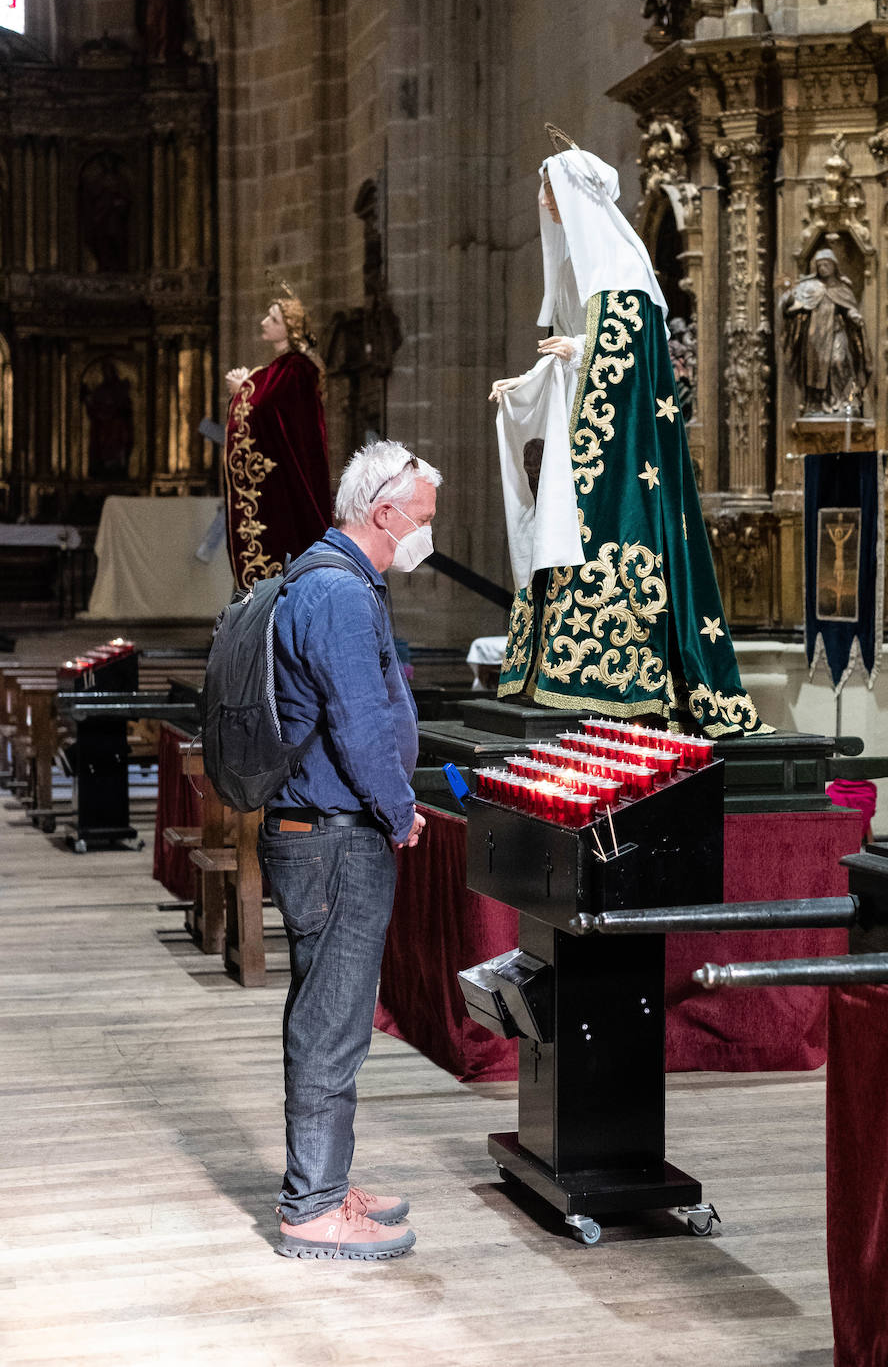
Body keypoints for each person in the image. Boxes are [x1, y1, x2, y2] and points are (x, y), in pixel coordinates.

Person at [489, 126, 769, 736]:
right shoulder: (587, 270)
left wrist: (576, 352)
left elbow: (627, 361)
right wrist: (527, 383)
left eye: (549, 190)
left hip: (622, 457)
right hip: (589, 446)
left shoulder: (621, 266)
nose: (542, 201)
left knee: (601, 539)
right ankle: (556, 669)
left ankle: (616, 677)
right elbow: (574, 353)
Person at [257, 439, 442, 1260]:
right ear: (385, 513)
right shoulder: (336, 590)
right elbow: (359, 724)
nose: (426, 533)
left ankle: (326, 1182)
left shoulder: (330, 575)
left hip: (325, 829)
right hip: (333, 835)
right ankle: (313, 1209)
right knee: (332, 1023)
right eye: (421, 519)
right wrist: (398, 810)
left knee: (330, 1014)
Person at [224, 286, 332, 590]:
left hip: (286, 482)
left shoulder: (297, 370)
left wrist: (242, 390)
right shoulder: (279, 370)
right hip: (275, 481)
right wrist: (247, 388)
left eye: (272, 319)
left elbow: (267, 407)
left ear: (289, 327)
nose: (263, 322)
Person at [780, 248, 872, 417]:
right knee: (816, 371)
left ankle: (849, 400)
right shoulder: (809, 287)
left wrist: (854, 315)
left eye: (826, 265)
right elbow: (791, 307)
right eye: (820, 265)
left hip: (837, 331)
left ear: (834, 266)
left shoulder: (842, 288)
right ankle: (818, 405)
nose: (823, 268)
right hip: (816, 337)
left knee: (840, 362)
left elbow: (848, 308)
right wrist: (788, 298)